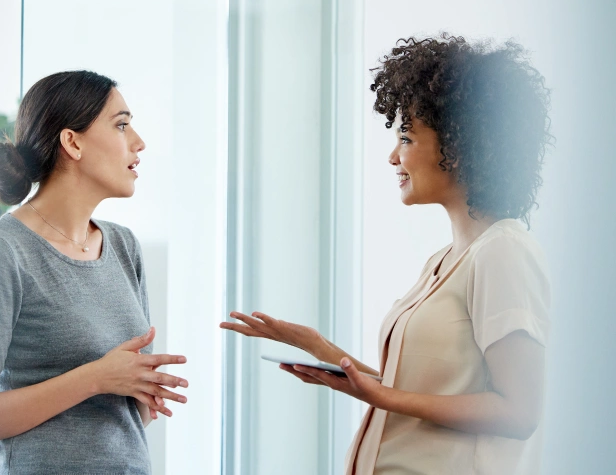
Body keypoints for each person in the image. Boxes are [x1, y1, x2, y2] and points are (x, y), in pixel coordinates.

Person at [221, 34, 552, 474]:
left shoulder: (503, 251)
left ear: (460, 143)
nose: (393, 156)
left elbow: (519, 412)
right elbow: (419, 395)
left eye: (407, 138)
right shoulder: (443, 260)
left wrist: (380, 395)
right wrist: (323, 351)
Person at [0, 70, 188, 474]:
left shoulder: (124, 246)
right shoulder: (0, 255)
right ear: (72, 142)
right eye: (122, 125)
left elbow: (129, 414)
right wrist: (94, 378)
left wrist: (142, 389)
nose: (139, 142)